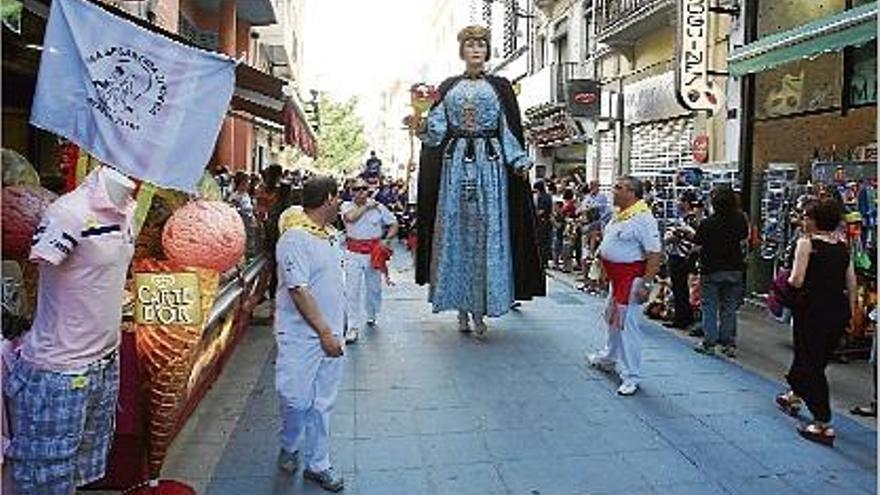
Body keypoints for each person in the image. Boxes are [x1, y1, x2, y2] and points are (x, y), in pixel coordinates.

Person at [4, 167, 136, 494]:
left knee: (78, 472)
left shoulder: (127, 207)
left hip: (104, 360)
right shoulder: (67, 213)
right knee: (43, 479)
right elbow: (43, 260)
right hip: (60, 369)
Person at [407, 24, 544, 337]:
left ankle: (481, 309)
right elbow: (437, 130)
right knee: (455, 235)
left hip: (490, 166)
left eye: (481, 46)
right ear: (462, 51)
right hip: (455, 165)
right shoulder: (448, 87)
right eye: (470, 46)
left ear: (487, 51)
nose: (476, 51)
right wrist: (421, 126)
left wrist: (519, 160)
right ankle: (461, 307)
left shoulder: (501, 87)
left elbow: (508, 130)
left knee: (487, 237)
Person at [274, 176, 346, 491]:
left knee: (322, 403)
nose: (341, 203)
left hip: (332, 335)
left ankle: (319, 464)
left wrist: (336, 330)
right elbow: (299, 290)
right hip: (302, 336)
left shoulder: (331, 236)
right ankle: (289, 444)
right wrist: (324, 332)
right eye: (338, 197)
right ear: (329, 198)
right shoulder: (294, 238)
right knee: (296, 399)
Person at [776, 198, 857, 446]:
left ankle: (822, 421)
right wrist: (851, 312)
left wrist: (784, 286)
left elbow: (797, 279)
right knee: (816, 357)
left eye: (806, 217)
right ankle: (794, 395)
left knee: (810, 360)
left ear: (814, 221)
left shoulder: (806, 243)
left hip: (811, 309)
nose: (802, 220)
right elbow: (851, 282)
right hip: (837, 309)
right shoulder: (842, 246)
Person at [586, 175, 661, 396]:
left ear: (632, 193)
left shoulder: (643, 219)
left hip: (631, 280)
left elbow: (654, 254)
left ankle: (631, 376)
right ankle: (609, 356)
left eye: (619, 188)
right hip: (616, 278)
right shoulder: (620, 215)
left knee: (629, 327)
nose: (613, 191)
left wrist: (645, 284)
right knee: (612, 320)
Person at [341, 177, 399, 344]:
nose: (361, 192)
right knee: (352, 290)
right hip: (353, 253)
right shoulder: (346, 206)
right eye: (356, 189)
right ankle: (352, 326)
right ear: (350, 191)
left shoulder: (379, 207)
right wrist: (367, 207)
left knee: (373, 288)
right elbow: (351, 218)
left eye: (364, 189)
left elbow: (394, 223)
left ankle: (372, 313)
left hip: (373, 253)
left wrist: (386, 241)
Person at [693, 186, 748, 357]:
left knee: (709, 305)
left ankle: (709, 342)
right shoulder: (740, 219)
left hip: (711, 269)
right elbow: (744, 238)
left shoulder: (708, 223)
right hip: (734, 268)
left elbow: (697, 243)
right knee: (729, 307)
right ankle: (728, 343)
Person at [663, 191, 700, 330]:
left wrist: (679, 235)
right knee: (679, 288)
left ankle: (682, 318)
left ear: (686, 202)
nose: (677, 203)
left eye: (679, 200)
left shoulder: (691, 219)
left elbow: (694, 238)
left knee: (681, 288)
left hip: (682, 257)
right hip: (676, 255)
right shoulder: (682, 218)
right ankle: (681, 316)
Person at [534, 181, 554, 267]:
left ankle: (542, 260)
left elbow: (541, 211)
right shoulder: (548, 196)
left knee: (541, 241)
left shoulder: (541, 197)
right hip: (547, 221)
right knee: (546, 241)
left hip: (542, 222)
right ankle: (545, 260)